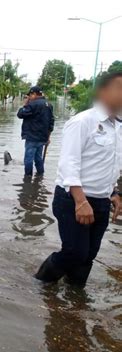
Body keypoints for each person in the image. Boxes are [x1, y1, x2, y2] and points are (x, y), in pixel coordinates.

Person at [35, 71, 122, 288]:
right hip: (73, 199)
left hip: (102, 201)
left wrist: (116, 192)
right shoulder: (83, 121)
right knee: (75, 252)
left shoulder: (119, 127)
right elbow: (68, 164)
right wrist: (81, 201)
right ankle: (40, 284)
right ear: (103, 91)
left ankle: (75, 299)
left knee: (89, 254)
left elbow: (113, 163)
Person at [17, 86, 54, 176]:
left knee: (28, 158)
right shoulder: (49, 105)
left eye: (30, 95)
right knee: (38, 158)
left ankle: (27, 178)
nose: (29, 97)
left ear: (34, 94)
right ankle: (40, 176)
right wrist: (48, 137)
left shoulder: (33, 104)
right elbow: (51, 122)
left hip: (32, 137)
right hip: (43, 137)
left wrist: (25, 104)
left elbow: (20, 114)